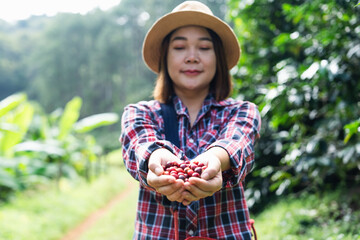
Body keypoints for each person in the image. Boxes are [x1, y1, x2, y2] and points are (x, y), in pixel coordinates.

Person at [120, 1, 261, 239]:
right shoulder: (140, 113)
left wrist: (214, 160)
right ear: (165, 57)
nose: (192, 57)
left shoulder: (242, 112)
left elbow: (238, 142)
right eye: (180, 47)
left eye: (204, 48)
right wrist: (156, 160)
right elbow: (139, 143)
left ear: (218, 58)